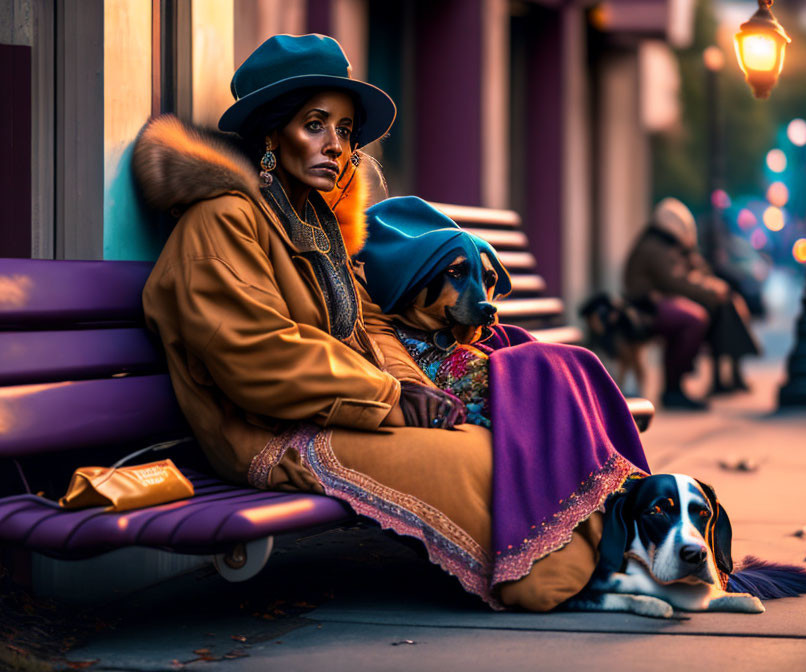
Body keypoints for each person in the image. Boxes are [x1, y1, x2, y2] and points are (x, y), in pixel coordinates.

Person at [133, 34, 648, 612]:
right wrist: (386, 395)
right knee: (470, 460)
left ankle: (618, 564)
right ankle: (550, 581)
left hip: (338, 410)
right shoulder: (221, 222)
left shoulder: (312, 221)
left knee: (497, 442)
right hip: (268, 434)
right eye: (316, 125)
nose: (336, 146)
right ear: (271, 134)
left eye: (346, 131)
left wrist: (414, 387)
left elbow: (370, 326)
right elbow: (255, 355)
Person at [624, 198, 760, 410]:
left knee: (726, 304)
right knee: (694, 318)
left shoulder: (670, 245)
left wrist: (712, 286)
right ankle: (673, 389)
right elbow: (675, 282)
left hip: (660, 303)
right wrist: (711, 289)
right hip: (646, 307)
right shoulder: (655, 247)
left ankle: (728, 374)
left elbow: (695, 272)